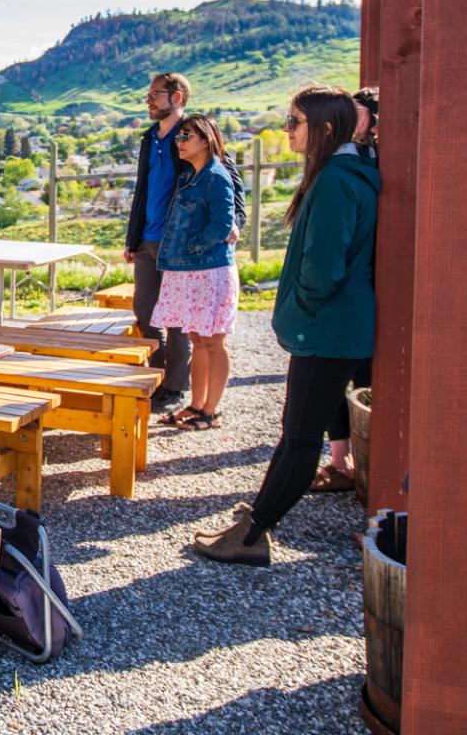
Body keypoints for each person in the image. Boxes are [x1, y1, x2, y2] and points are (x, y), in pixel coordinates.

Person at [194, 86, 379, 565]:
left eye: (294, 121)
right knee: (296, 430)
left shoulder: (336, 180)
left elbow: (323, 268)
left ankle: (254, 534)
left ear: (325, 128)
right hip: (333, 324)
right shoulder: (345, 173)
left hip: (328, 326)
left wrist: (300, 305)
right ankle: (255, 520)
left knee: (299, 436)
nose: (287, 130)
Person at [124, 73, 247, 412]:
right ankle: (159, 379)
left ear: (177, 97)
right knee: (146, 312)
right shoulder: (150, 138)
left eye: (155, 94)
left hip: (180, 245)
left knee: (181, 320)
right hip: (148, 240)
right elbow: (142, 191)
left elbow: (230, 186)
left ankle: (177, 388)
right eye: (148, 94)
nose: (149, 100)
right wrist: (132, 238)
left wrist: (235, 222)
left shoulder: (195, 136)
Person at [148, 115, 238, 431]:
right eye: (179, 137)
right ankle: (197, 405)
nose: (180, 142)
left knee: (214, 341)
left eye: (186, 136)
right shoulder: (192, 175)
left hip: (210, 271)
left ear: (207, 138)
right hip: (191, 271)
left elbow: (223, 224)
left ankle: (210, 411)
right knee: (198, 340)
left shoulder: (216, 176)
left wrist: (192, 246)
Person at [311, 85, 379, 492]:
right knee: (334, 378)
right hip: (347, 283)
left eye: (358, 113)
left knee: (362, 375)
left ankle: (358, 461)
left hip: (363, 281)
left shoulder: (367, 164)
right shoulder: (342, 163)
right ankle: (339, 457)